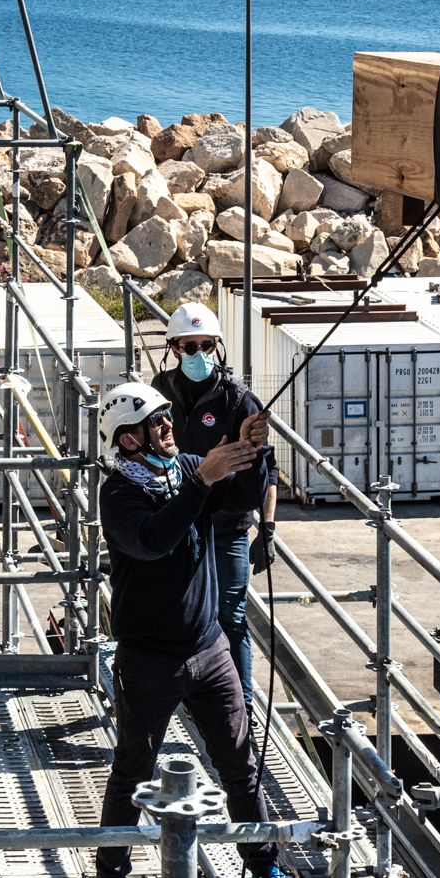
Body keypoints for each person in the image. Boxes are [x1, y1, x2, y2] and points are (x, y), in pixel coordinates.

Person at [91, 380, 296, 878]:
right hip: (150, 659)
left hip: (209, 650)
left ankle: (265, 867)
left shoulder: (184, 466)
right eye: (155, 423)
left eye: (165, 418)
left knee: (240, 764)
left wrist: (254, 453)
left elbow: (241, 497)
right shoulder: (120, 495)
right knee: (134, 768)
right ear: (127, 441)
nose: (167, 427)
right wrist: (201, 480)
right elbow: (153, 540)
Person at [149, 303, 277, 715]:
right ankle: (186, 698)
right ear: (173, 348)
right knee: (177, 615)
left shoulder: (238, 399)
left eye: (207, 345)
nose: (199, 354)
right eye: (190, 346)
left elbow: (266, 470)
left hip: (226, 529)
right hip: (177, 524)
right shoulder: (157, 391)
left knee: (231, 617)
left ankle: (240, 706)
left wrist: (268, 530)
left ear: (218, 347)